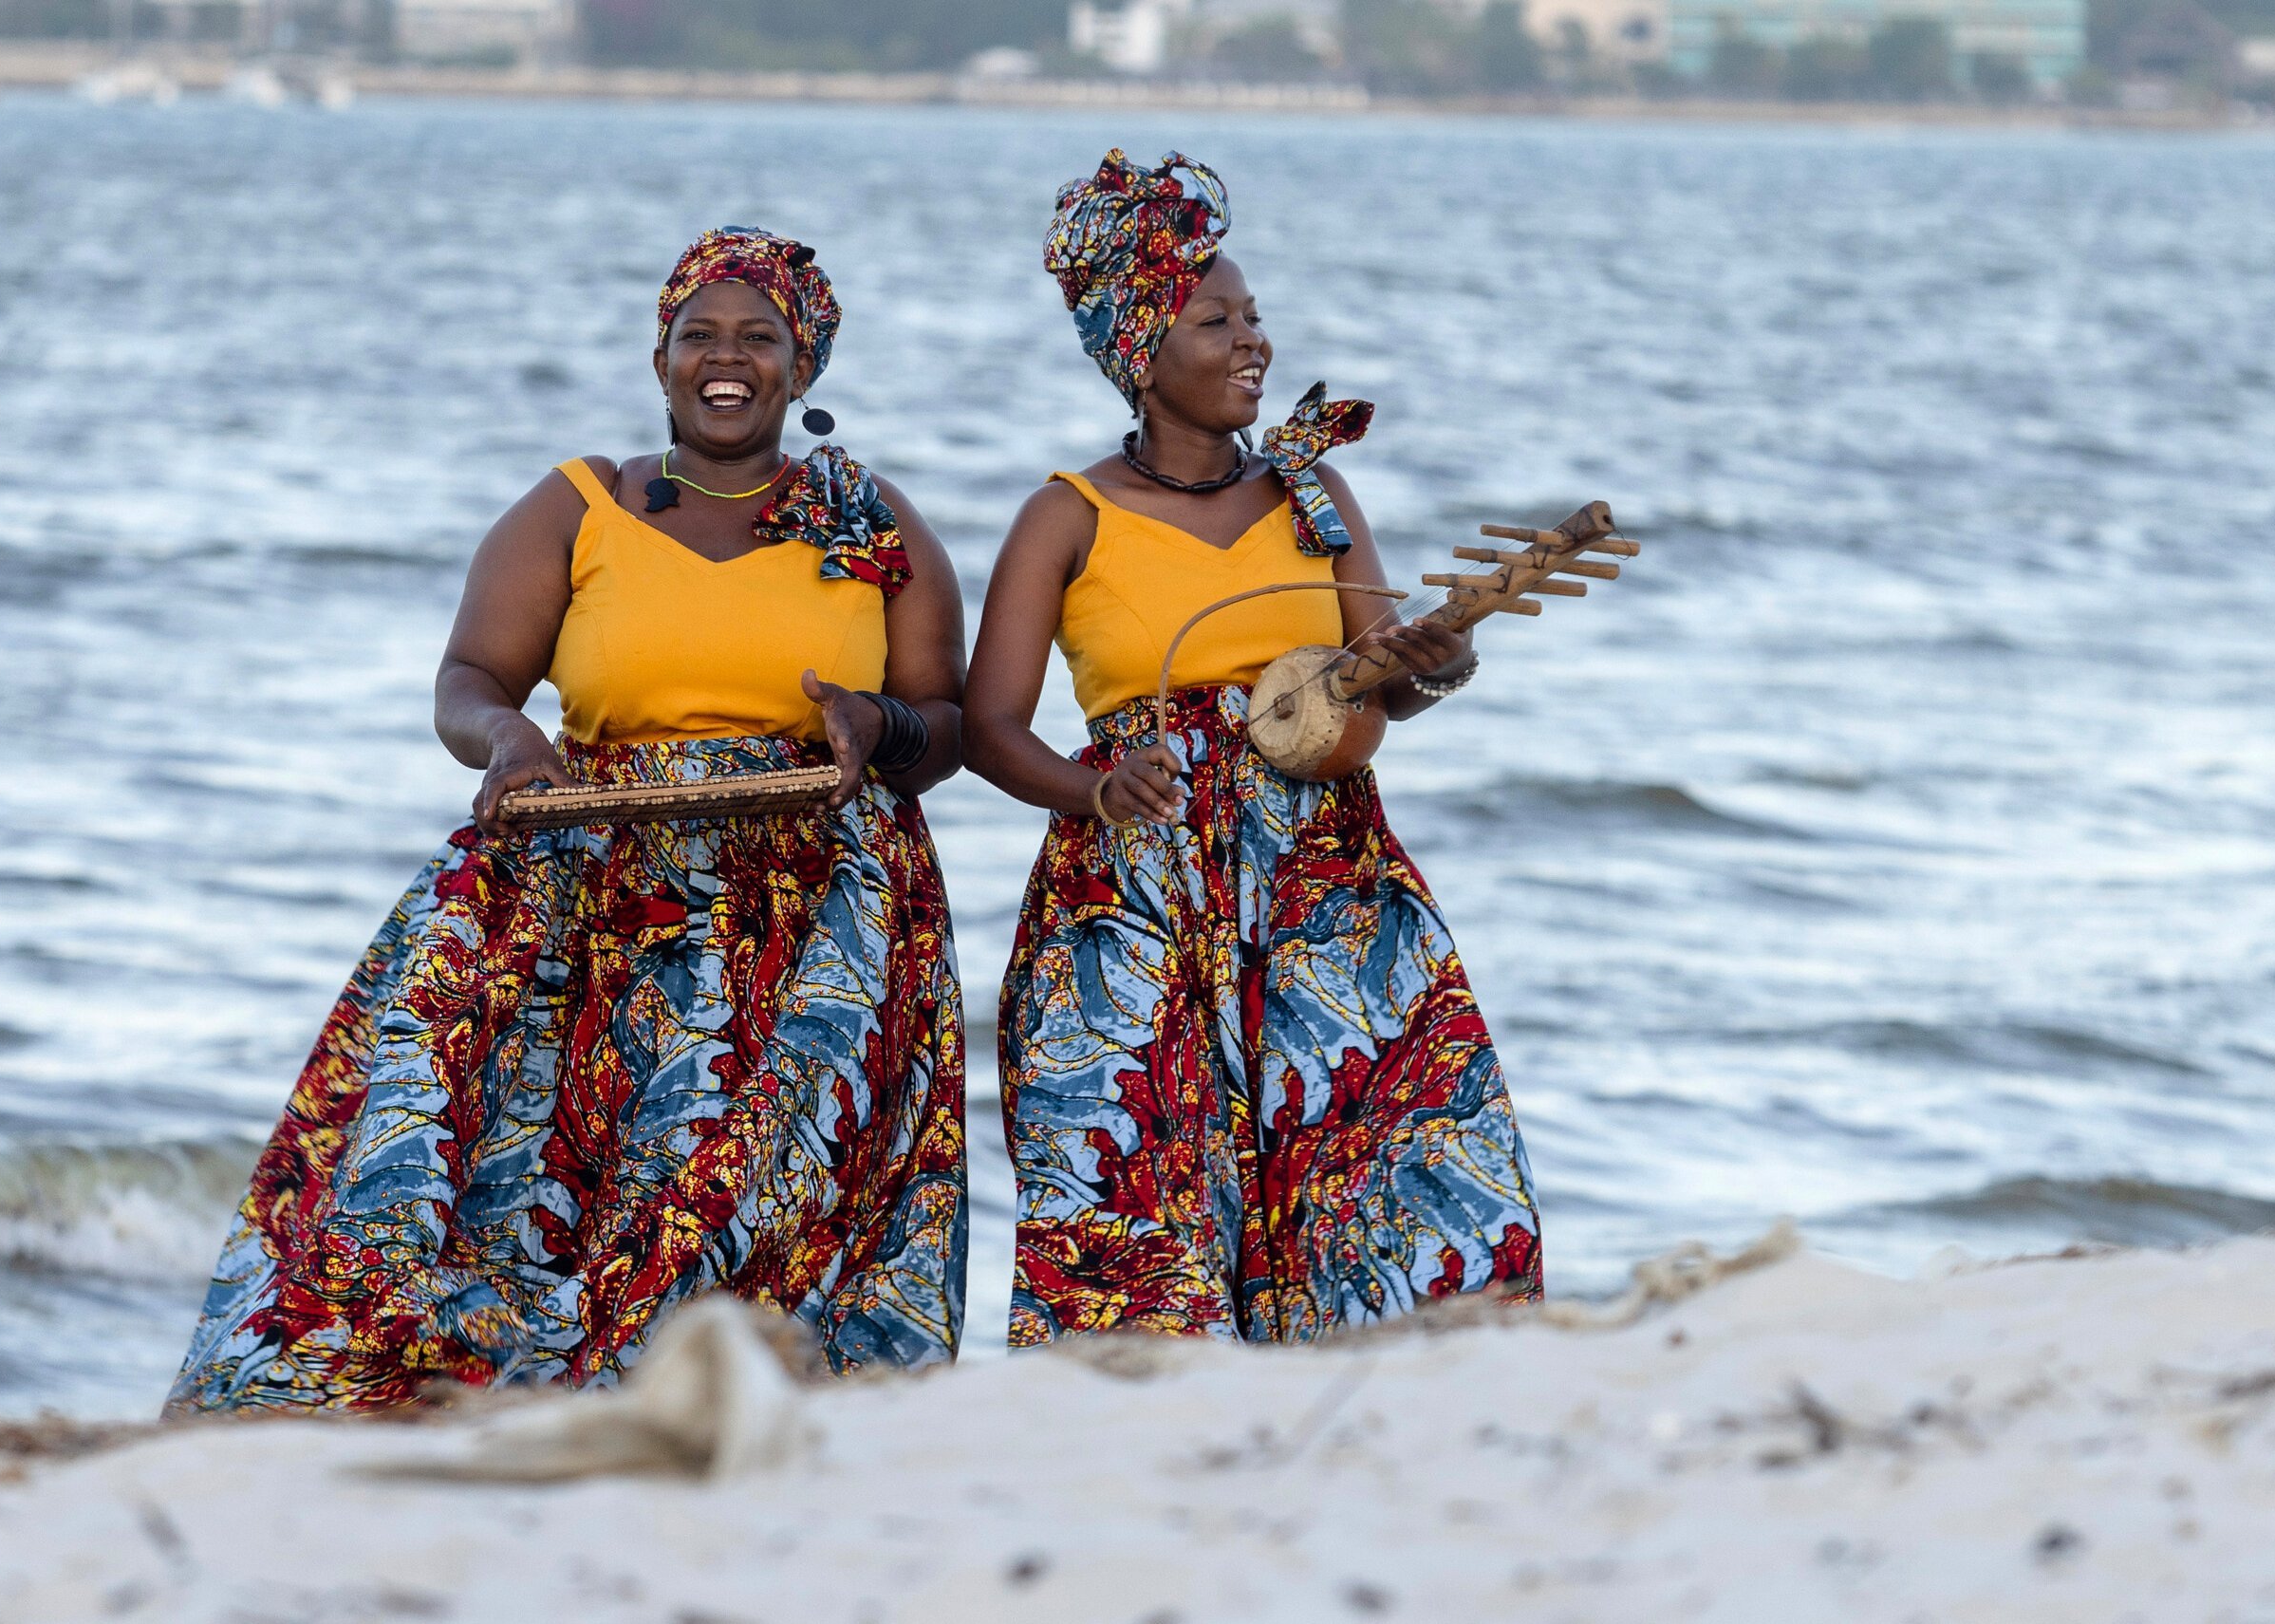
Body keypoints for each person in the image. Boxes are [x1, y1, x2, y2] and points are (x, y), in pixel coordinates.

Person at [167, 228, 970, 1413]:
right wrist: (510, 741)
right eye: (698, 335)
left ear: (804, 370)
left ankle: (707, 1384)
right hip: (597, 873)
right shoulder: (575, 503)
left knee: (739, 1170)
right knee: (469, 1119)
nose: (726, 359)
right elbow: (470, 677)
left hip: (814, 896)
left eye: (760, 338)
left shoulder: (873, 523)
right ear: (660, 360)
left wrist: (875, 727)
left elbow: (945, 722)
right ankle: (498, 1375)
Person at [962, 151, 1543, 1348]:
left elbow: (1370, 678)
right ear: (1139, 345)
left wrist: (1435, 663)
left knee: (1395, 1157)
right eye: (1215, 318)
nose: (1252, 342)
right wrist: (1096, 787)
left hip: (1326, 888)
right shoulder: (1066, 515)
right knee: (1138, 1199)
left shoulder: (1312, 491)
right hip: (1135, 889)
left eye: (1256, 316)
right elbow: (988, 725)